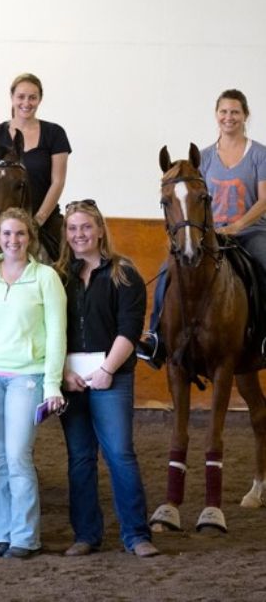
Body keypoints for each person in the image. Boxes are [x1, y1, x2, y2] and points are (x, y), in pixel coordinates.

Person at [55, 199, 159, 558]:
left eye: (86, 227)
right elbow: (53, 331)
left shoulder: (123, 274)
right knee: (80, 458)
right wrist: (62, 374)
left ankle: (136, 534)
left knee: (119, 454)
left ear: (100, 230)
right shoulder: (59, 277)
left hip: (110, 379)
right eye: (72, 228)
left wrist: (107, 371)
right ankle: (86, 534)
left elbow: (129, 329)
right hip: (71, 382)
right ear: (65, 234)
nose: (79, 234)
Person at [137, 88, 266, 367]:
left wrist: (238, 225)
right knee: (165, 270)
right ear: (216, 115)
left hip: (252, 231)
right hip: (211, 234)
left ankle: (264, 335)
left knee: (265, 263)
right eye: (224, 112)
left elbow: (264, 200)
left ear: (245, 115)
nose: (229, 117)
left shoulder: (259, 154)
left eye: (235, 112)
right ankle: (155, 337)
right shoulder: (204, 157)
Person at [0, 207, 66, 558]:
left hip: (28, 377)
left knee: (17, 456)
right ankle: (2, 533)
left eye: (20, 234)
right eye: (7, 234)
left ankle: (26, 536)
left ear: (30, 238)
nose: (13, 241)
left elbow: (57, 334)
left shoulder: (45, 277)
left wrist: (53, 385)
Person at [0, 73, 71, 259]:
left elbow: (58, 181)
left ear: (40, 100)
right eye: (21, 96)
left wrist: (37, 221)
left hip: (43, 218)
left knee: (68, 261)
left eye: (32, 97)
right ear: (12, 97)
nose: (26, 102)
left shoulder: (54, 133)